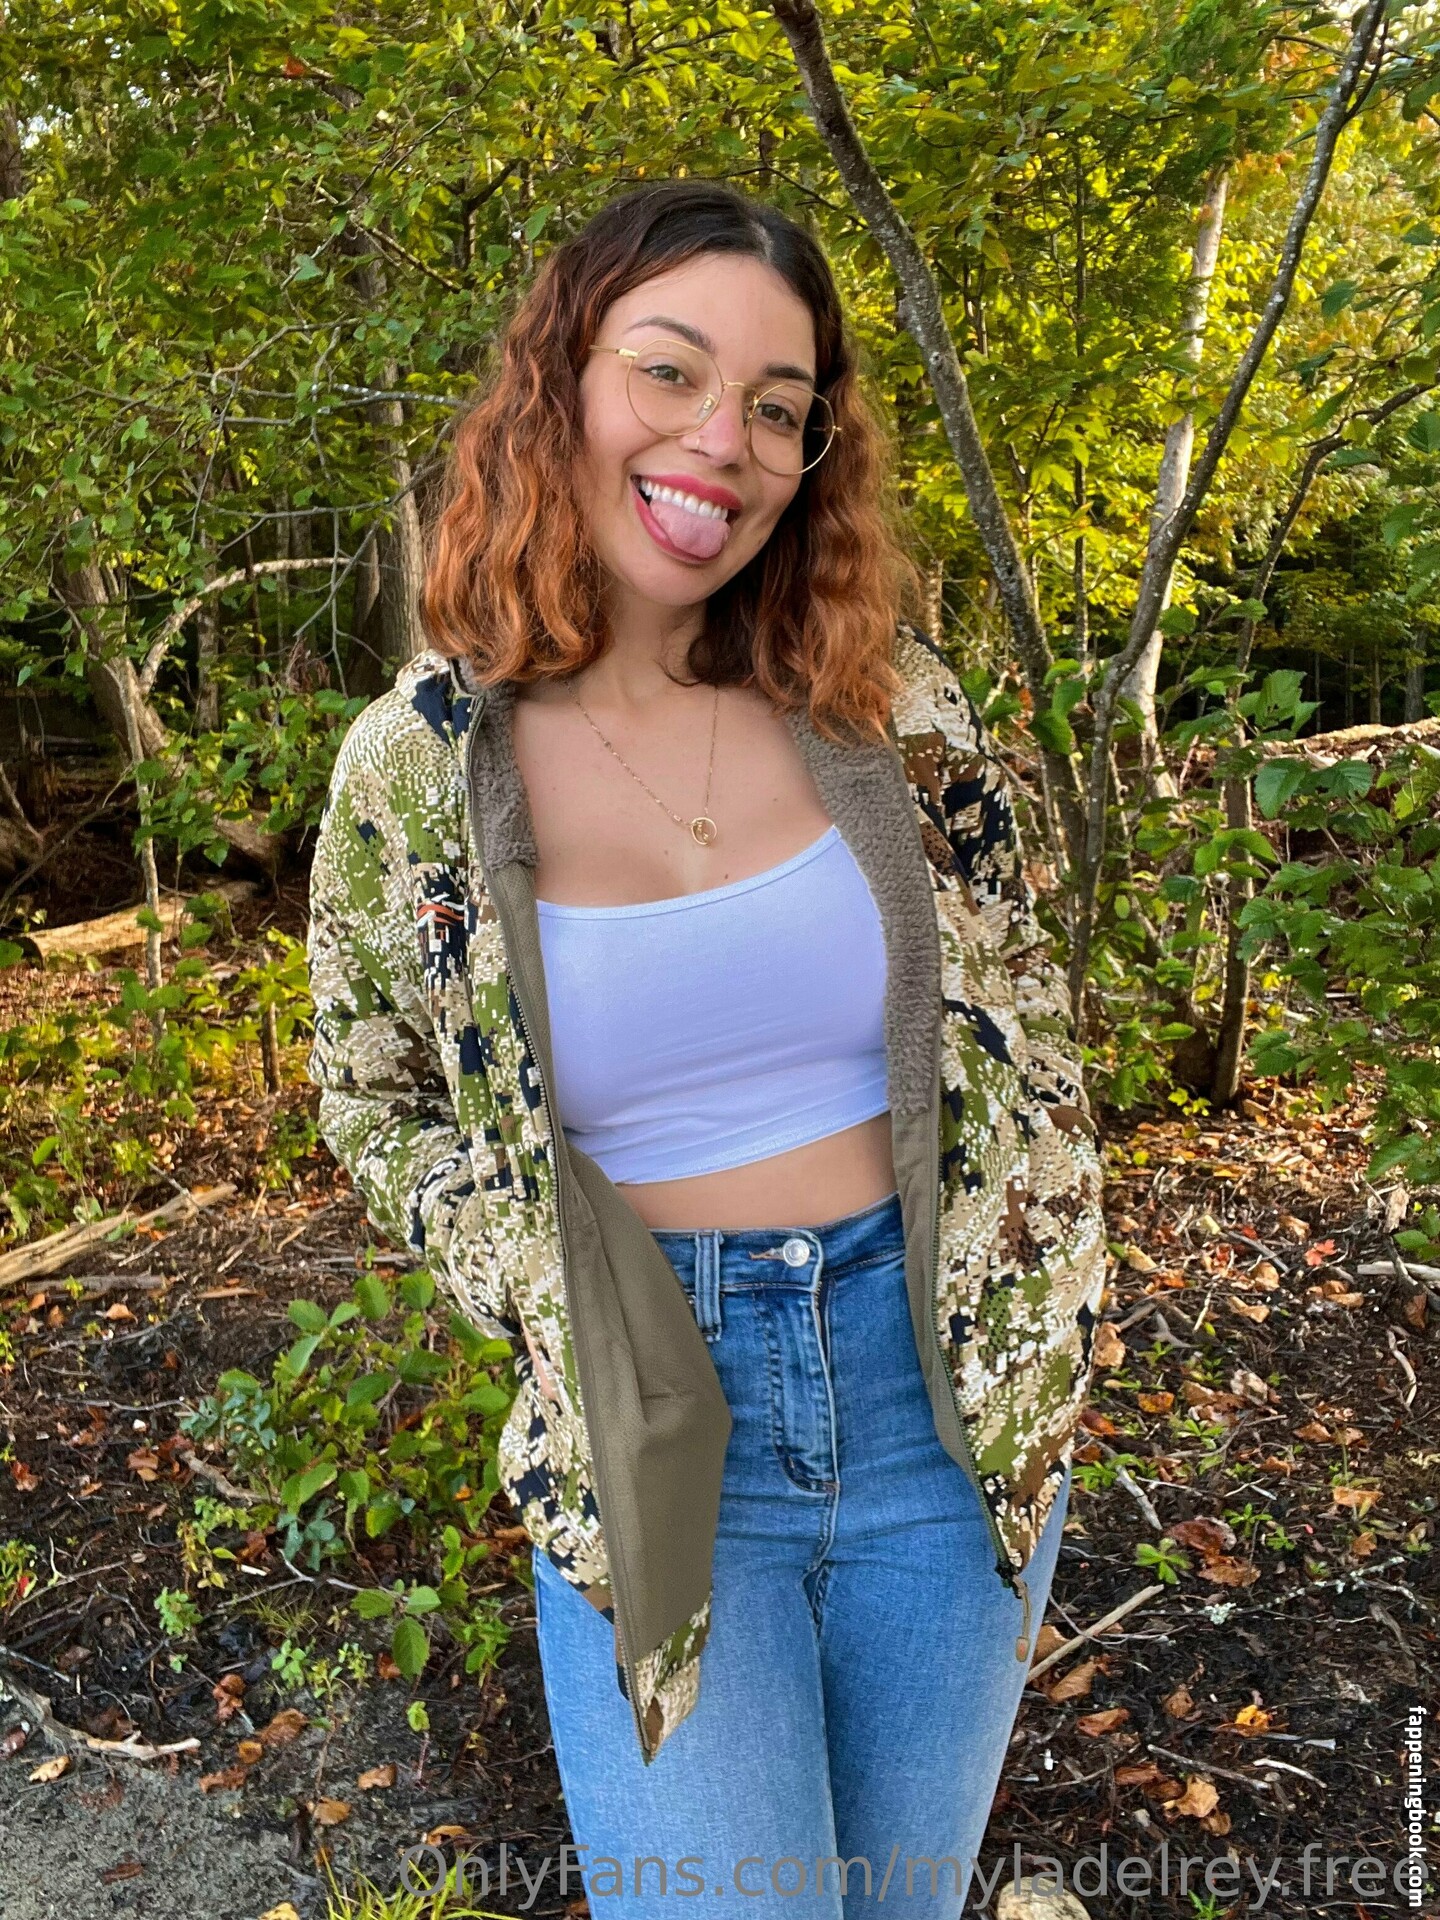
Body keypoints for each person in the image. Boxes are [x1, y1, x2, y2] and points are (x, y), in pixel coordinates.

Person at [307, 179, 1106, 1919]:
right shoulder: (419, 764)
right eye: (669, 372)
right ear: (562, 385)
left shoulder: (894, 704)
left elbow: (1025, 1012)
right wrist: (538, 1276)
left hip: (937, 1406)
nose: (722, 442)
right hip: (655, 1427)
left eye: (777, 407)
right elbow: (364, 1093)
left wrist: (1054, 1275)